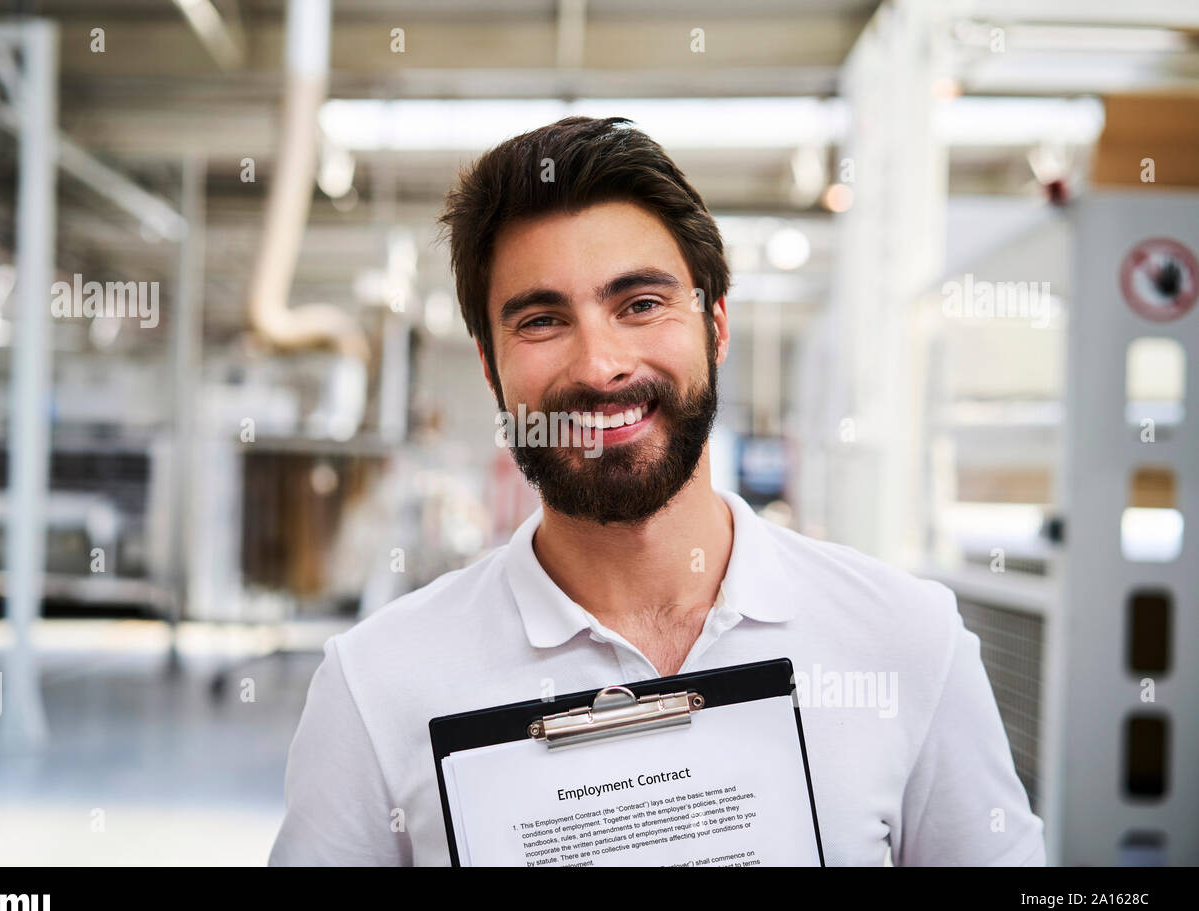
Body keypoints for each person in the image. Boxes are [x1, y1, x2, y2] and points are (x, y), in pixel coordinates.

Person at [269, 116, 1045, 866]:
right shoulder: (375, 687)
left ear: (715, 326)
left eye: (640, 304)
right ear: (488, 366)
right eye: (542, 319)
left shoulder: (907, 640)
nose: (600, 365)